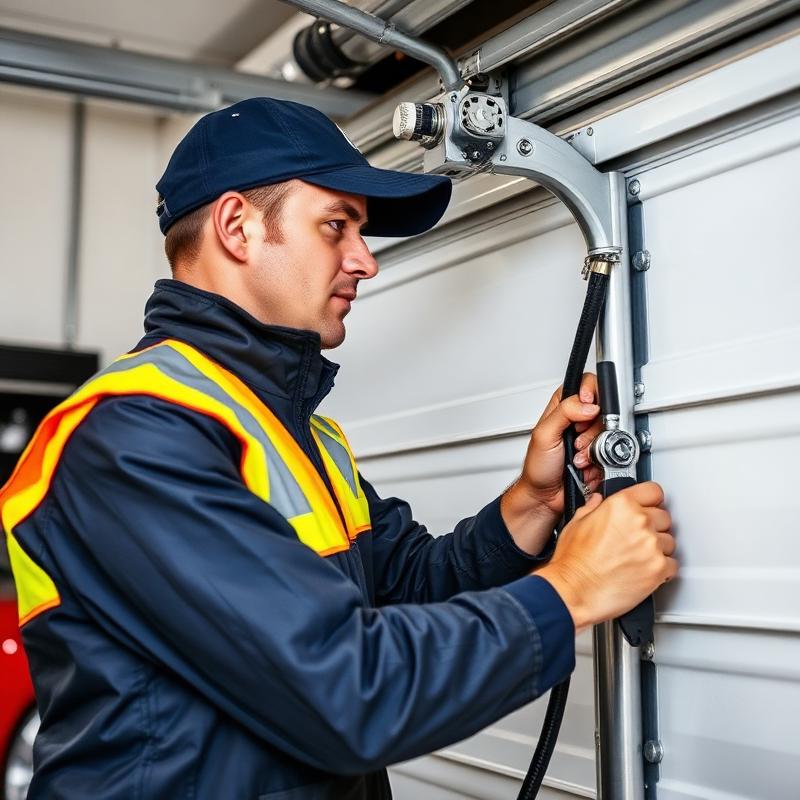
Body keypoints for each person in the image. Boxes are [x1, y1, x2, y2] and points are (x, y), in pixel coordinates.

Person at [1, 97, 676, 800]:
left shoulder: (293, 428)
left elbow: (406, 586)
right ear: (238, 227)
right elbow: (345, 689)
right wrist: (569, 591)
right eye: (336, 226)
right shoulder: (132, 437)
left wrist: (530, 504)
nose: (365, 262)